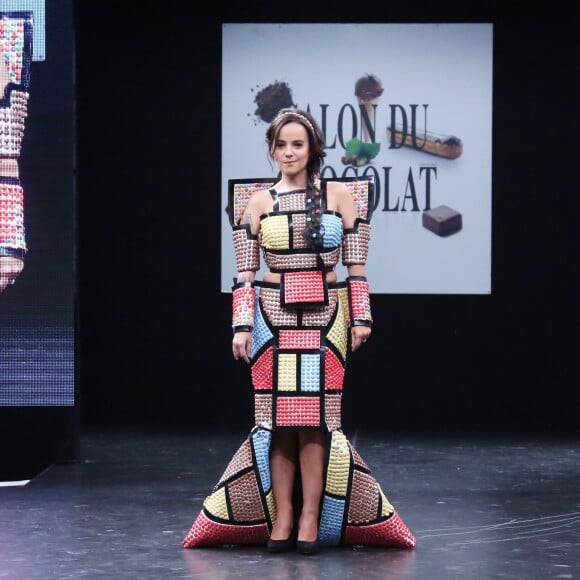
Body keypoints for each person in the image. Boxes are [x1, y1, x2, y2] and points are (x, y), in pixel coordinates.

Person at [182, 108, 416, 554]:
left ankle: (311, 514)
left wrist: (362, 316)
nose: (288, 152)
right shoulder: (257, 201)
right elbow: (245, 275)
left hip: (325, 314)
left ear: (312, 149)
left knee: (315, 421)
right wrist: (241, 325)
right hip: (272, 315)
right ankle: (283, 515)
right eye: (281, 145)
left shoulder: (340, 195)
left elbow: (357, 267)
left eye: (297, 144)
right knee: (276, 421)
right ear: (271, 149)